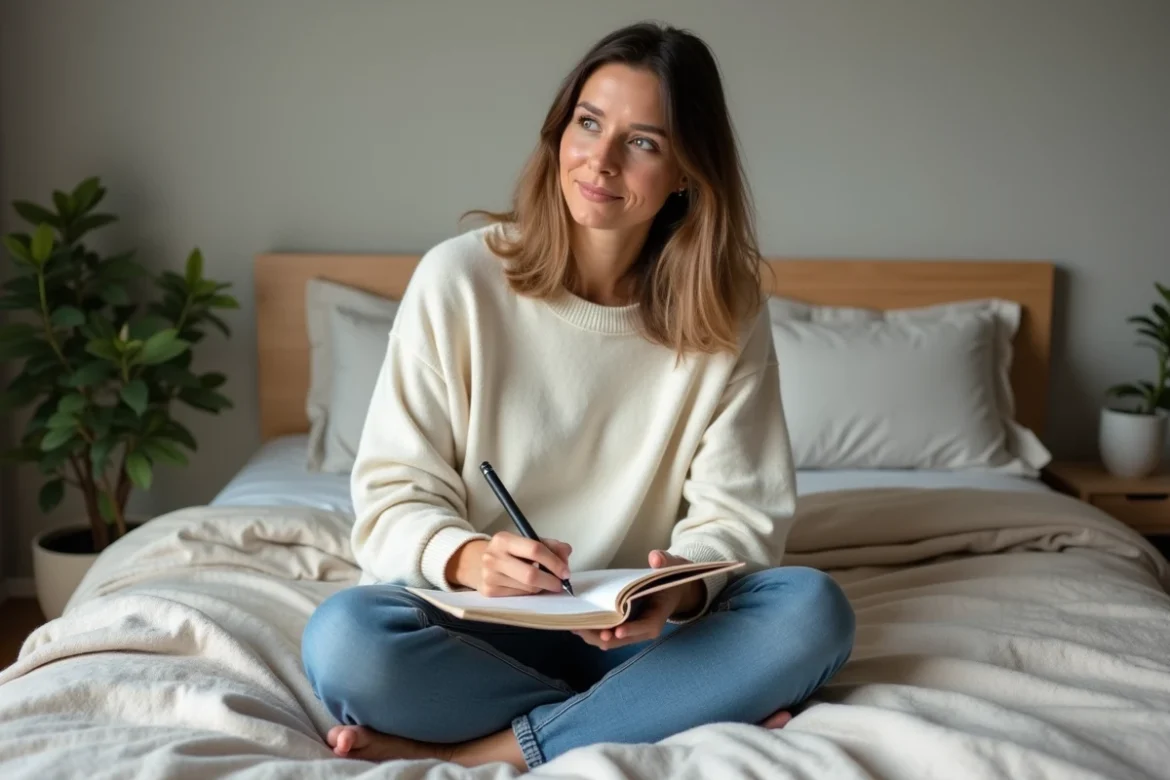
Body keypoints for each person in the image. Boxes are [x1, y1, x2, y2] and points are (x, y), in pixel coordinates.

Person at [300, 21, 855, 771]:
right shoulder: (457, 281)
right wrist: (465, 556)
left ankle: (491, 751)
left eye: (644, 141)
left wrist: (678, 592)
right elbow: (394, 494)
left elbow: (742, 516)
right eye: (588, 123)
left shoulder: (727, 311)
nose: (600, 159)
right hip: (478, 631)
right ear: (560, 130)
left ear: (687, 170)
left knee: (811, 614)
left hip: (646, 639)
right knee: (344, 642)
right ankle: (663, 710)